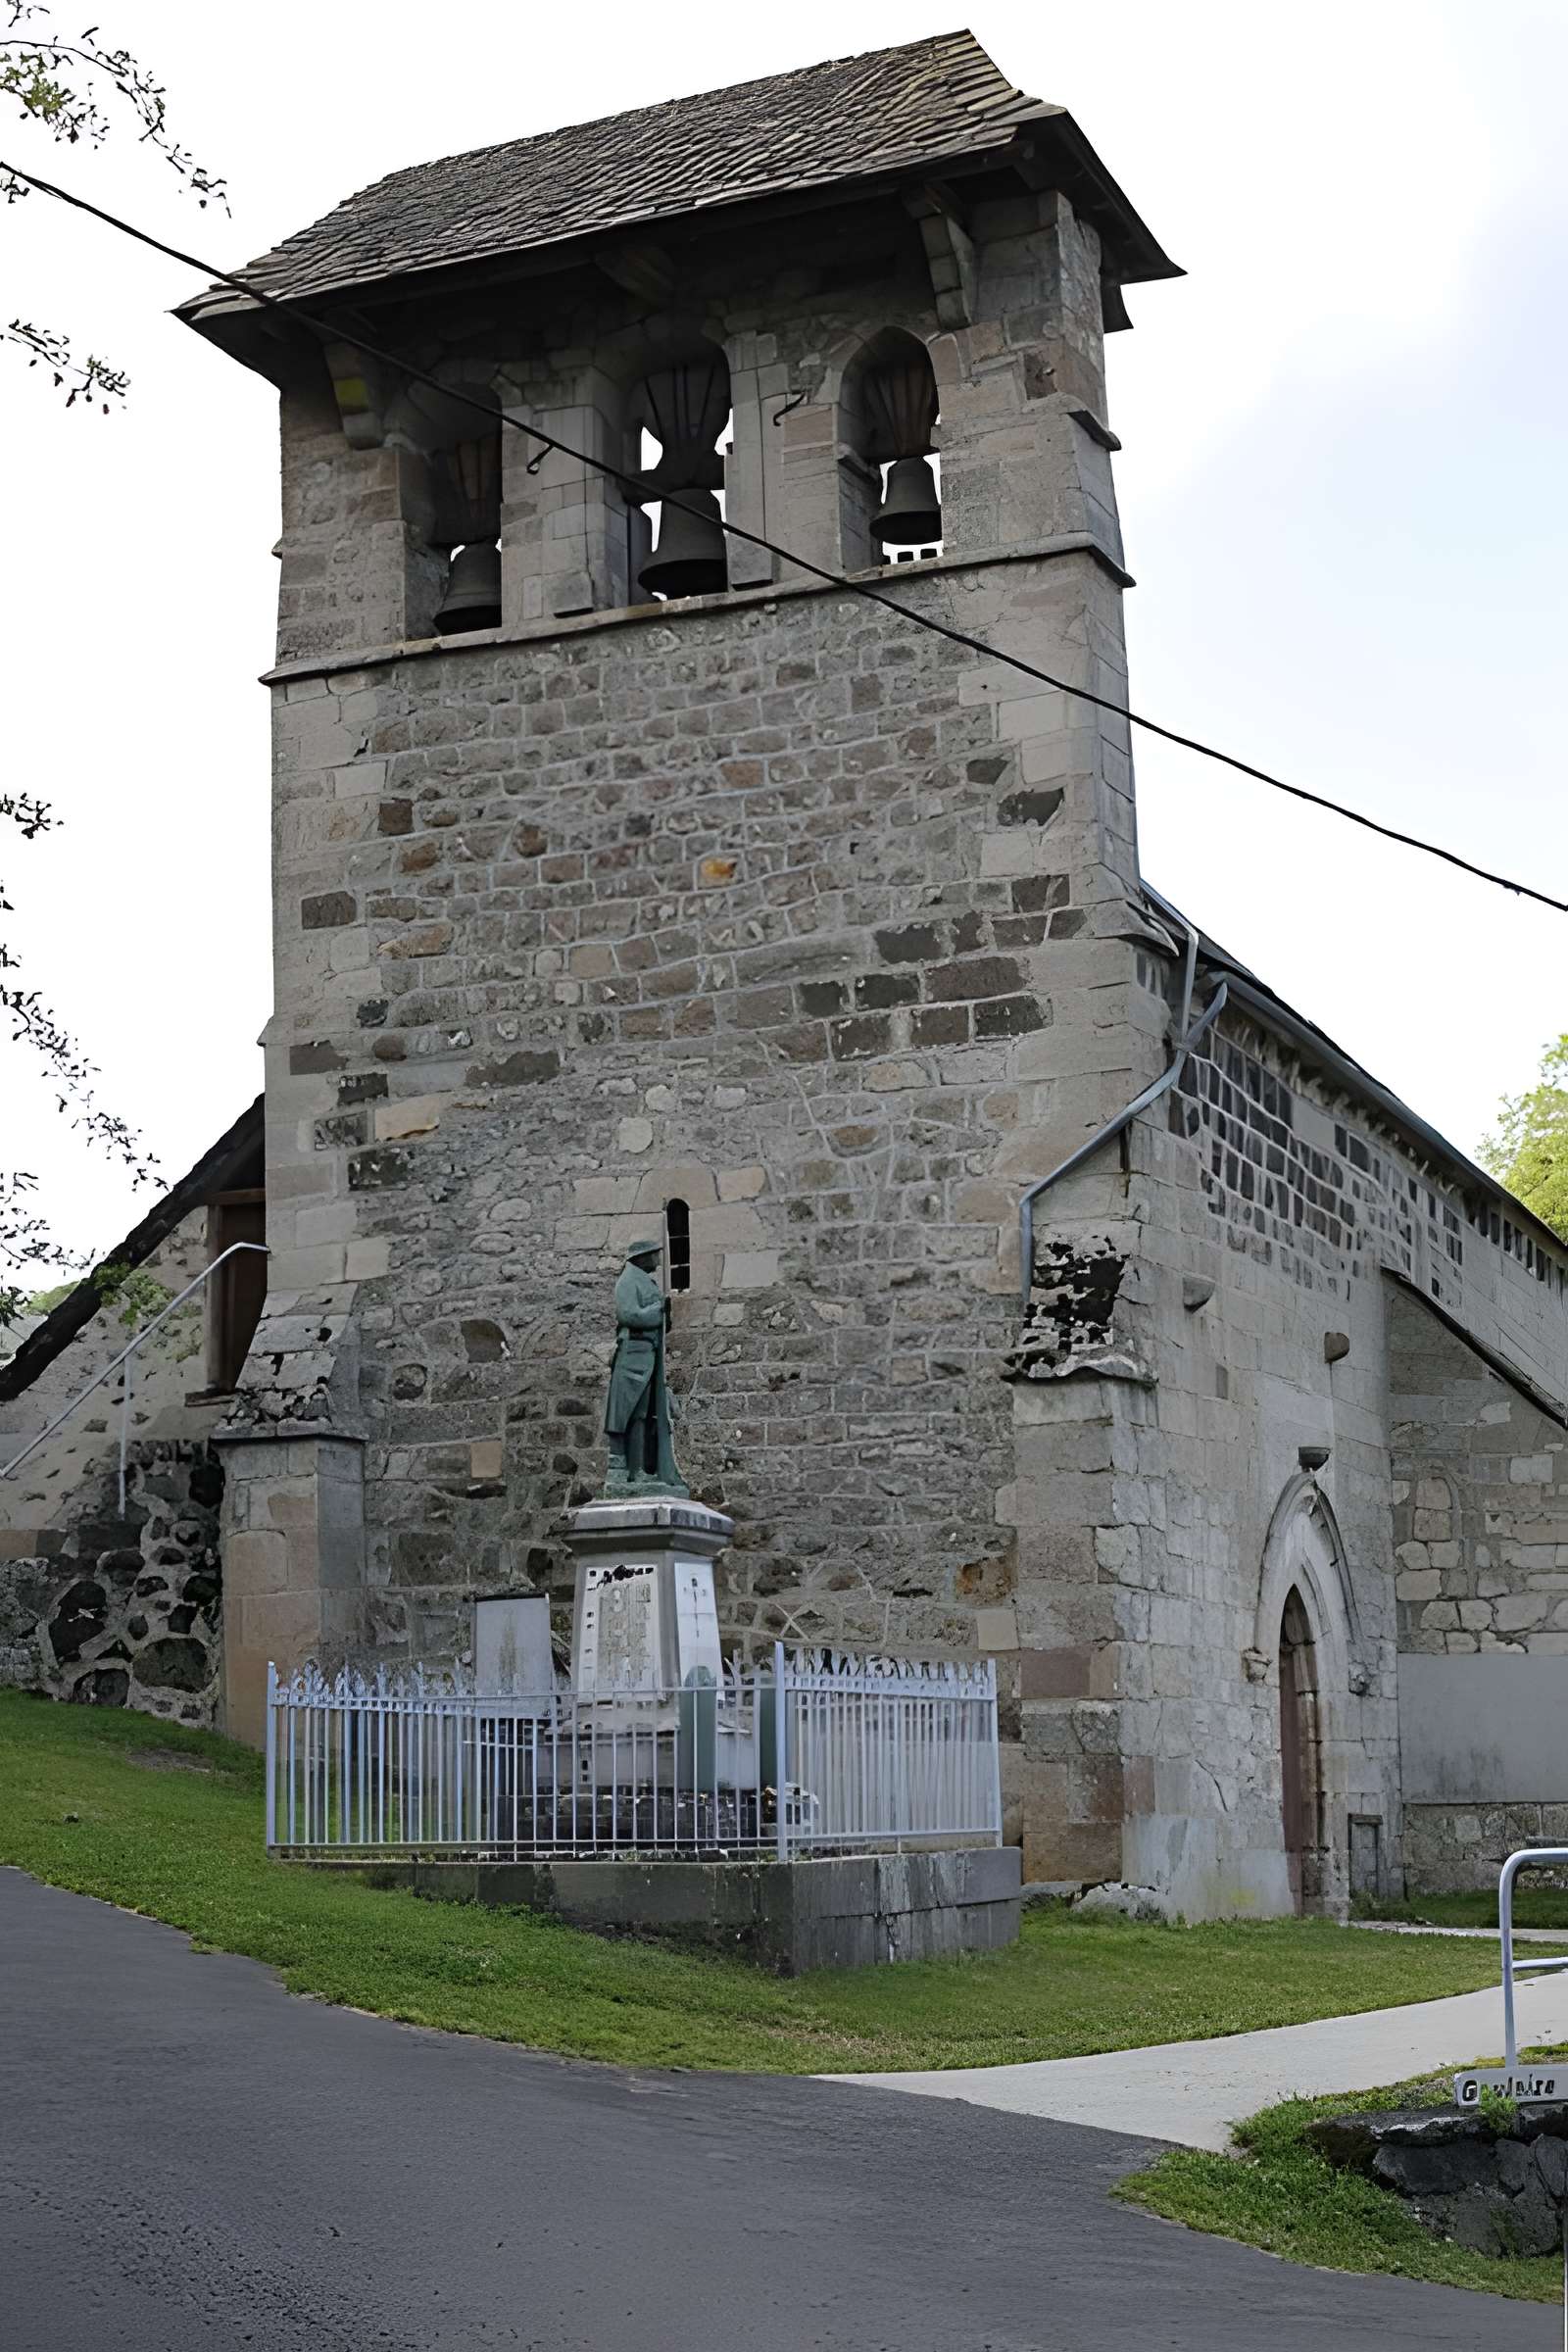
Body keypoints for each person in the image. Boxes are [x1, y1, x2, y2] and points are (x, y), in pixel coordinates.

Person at [603, 1239, 687, 1495]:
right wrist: (657, 1309)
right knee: (625, 1410)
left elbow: (657, 1321)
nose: (658, 1260)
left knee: (642, 1414)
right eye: (654, 1255)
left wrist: (665, 1315)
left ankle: (638, 1469)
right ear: (642, 1257)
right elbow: (629, 1315)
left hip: (647, 1353)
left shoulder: (643, 1280)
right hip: (633, 1353)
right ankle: (619, 1466)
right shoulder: (628, 1281)